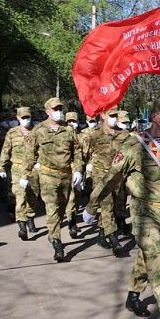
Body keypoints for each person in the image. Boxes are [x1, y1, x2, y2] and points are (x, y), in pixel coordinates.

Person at [83, 98, 160, 319]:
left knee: (147, 256)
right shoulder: (134, 146)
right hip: (143, 213)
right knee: (157, 261)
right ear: (156, 116)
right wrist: (92, 206)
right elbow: (111, 178)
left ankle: (133, 296)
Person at [22, 98, 83, 262]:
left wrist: (78, 170)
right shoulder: (39, 129)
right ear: (48, 111)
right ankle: (57, 242)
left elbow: (77, 151)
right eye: (55, 109)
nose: (59, 111)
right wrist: (25, 175)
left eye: (60, 108)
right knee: (52, 207)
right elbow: (30, 153)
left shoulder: (68, 129)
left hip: (66, 175)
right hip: (47, 175)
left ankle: (53, 232)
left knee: (63, 207)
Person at [82, 108, 127, 255]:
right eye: (111, 115)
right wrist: (83, 172)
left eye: (116, 116)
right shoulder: (94, 135)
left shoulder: (123, 135)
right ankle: (114, 240)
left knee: (114, 207)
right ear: (103, 116)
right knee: (107, 206)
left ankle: (101, 235)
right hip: (101, 178)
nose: (114, 118)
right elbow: (84, 155)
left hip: (118, 178)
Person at [0, 106, 38, 240]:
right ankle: (22, 226)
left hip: (33, 170)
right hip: (17, 169)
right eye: (23, 117)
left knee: (32, 196)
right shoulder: (12, 133)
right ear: (18, 118)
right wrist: (2, 167)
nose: (26, 120)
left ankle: (30, 217)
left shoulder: (36, 132)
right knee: (20, 197)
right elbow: (5, 150)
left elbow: (43, 150)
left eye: (28, 117)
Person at [65, 111, 84, 239]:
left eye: (74, 121)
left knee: (77, 197)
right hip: (67, 169)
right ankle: (71, 223)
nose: (72, 124)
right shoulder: (62, 135)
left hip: (81, 169)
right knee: (70, 197)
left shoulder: (83, 136)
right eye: (69, 121)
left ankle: (73, 217)